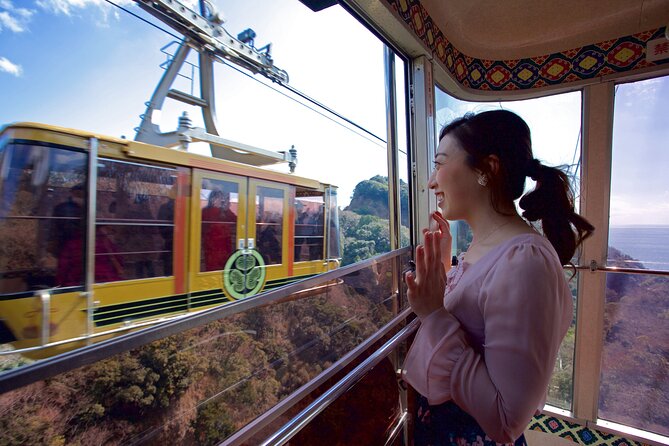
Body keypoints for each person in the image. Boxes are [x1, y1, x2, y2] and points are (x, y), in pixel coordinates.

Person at [402, 110, 593, 446]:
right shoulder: (487, 246)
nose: (432, 181)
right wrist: (445, 272)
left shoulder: (525, 263)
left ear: (487, 170)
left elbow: (506, 420)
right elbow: (475, 324)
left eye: (441, 163)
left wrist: (433, 313)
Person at [201, 190, 237, 270]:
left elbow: (236, 221)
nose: (222, 201)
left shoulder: (224, 212)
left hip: (225, 249)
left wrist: (227, 210)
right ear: (213, 199)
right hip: (213, 250)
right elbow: (211, 224)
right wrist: (221, 209)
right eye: (220, 198)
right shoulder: (206, 212)